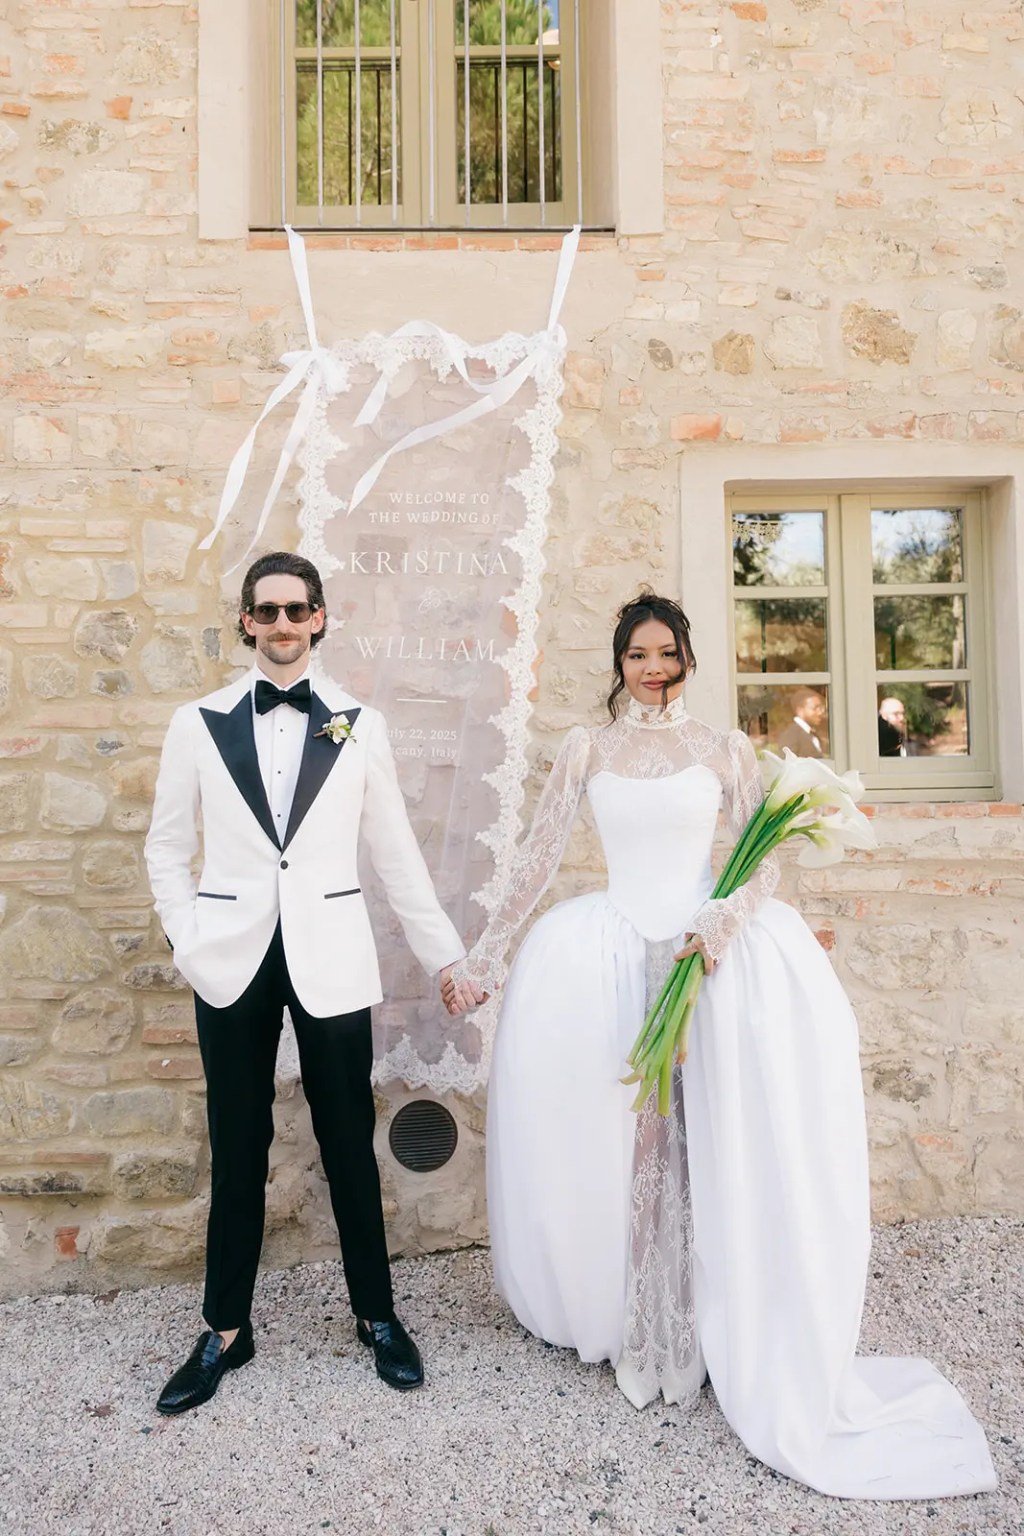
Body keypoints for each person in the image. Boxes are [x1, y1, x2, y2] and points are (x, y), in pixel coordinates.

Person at [442, 593, 996, 1501]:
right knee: (630, 1140)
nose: (652, 668)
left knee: (712, 1140)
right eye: (637, 654)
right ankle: (638, 1319)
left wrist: (725, 917)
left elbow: (758, 853)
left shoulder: (723, 749)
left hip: (708, 955)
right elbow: (540, 857)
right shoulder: (589, 748)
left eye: (666, 653)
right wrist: (489, 954)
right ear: (618, 662)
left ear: (688, 658)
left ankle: (710, 1317)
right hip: (613, 955)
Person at [144, 551, 476, 1415]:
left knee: (346, 1142)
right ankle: (224, 1330)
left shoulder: (360, 723)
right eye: (268, 611)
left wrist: (446, 957)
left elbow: (396, 855)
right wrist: (188, 935)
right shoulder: (198, 723)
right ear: (246, 620)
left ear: (322, 618)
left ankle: (377, 1317)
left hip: (330, 956)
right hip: (231, 959)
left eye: (298, 610)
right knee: (237, 1142)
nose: (283, 624)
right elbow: (165, 846)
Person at [777, 685, 827, 758]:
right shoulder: (791, 735)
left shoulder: (811, 733)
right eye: (815, 708)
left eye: (820, 708)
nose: (820, 713)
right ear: (800, 710)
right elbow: (787, 765)